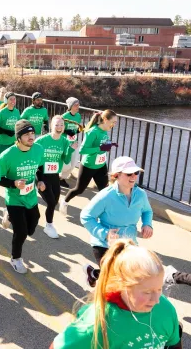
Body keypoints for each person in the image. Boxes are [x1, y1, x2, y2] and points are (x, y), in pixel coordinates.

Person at [50, 239, 182, 349]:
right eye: (147, 292)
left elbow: (174, 344)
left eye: (159, 289)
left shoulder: (166, 309)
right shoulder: (97, 322)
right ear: (122, 285)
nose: (157, 300)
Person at [80, 156, 154, 288]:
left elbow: (147, 211)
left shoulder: (141, 194)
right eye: (129, 174)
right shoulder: (106, 196)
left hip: (129, 243)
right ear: (116, 175)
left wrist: (147, 224)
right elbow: (86, 216)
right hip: (104, 244)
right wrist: (105, 233)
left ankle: (93, 274)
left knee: (127, 276)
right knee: (116, 281)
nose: (134, 176)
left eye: (136, 173)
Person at [0, 119, 45, 274]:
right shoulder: (7, 155)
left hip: (31, 196)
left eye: (32, 133)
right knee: (22, 232)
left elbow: (40, 168)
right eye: (27, 134)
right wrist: (13, 183)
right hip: (14, 198)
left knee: (33, 225)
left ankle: (9, 217)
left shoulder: (38, 149)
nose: (31, 137)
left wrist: (41, 181)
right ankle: (15, 258)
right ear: (18, 137)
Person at [59, 110, 118, 216]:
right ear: (105, 120)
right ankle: (64, 201)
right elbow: (83, 150)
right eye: (113, 122)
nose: (114, 125)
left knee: (104, 190)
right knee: (79, 190)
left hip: (101, 165)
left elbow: (102, 144)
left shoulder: (105, 130)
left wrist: (108, 145)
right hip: (88, 166)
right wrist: (100, 148)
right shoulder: (93, 132)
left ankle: (104, 213)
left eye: (115, 122)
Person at [35, 116, 78, 238]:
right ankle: (49, 225)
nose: (59, 127)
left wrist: (70, 150)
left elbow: (66, 159)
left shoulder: (64, 141)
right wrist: (38, 178)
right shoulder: (42, 140)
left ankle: (48, 224)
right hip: (41, 173)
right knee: (51, 202)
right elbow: (32, 155)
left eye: (61, 125)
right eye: (56, 125)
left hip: (54, 175)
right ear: (51, 126)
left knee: (54, 201)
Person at [59, 97, 83, 188]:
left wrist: (78, 130)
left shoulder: (78, 116)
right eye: (76, 105)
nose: (78, 106)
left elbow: (77, 128)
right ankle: (61, 179)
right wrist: (67, 131)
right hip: (65, 143)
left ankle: (62, 177)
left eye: (78, 104)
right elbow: (58, 129)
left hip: (74, 142)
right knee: (65, 162)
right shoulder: (64, 116)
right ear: (70, 106)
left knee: (73, 163)